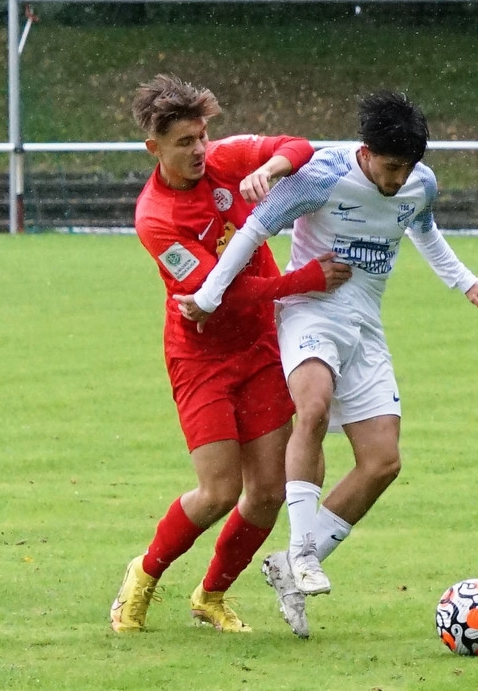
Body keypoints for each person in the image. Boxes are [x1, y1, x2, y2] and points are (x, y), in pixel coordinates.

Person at [176, 90, 478, 636]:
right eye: (391, 167)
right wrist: (209, 297)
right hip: (309, 310)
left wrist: (465, 281)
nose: (399, 179)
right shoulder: (321, 176)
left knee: (382, 462)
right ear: (366, 152)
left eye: (408, 168)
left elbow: (423, 229)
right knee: (313, 407)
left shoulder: (420, 183)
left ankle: (290, 567)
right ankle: (302, 549)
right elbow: (254, 229)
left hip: (365, 326)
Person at [110, 74, 352, 635]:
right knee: (219, 491)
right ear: (154, 148)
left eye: (201, 136)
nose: (199, 150)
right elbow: (218, 294)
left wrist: (274, 168)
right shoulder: (156, 218)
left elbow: (298, 145)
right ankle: (143, 575)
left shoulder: (224, 157)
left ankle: (212, 595)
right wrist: (305, 279)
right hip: (201, 357)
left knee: (267, 492)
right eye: (184, 142)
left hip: (260, 346)